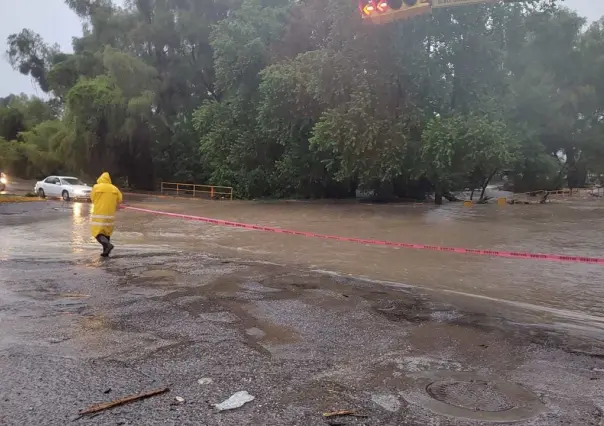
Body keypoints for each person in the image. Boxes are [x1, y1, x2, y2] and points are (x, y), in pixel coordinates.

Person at [90, 172, 123, 257]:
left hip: (99, 213)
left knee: (97, 233)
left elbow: (92, 198)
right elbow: (120, 199)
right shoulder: (114, 189)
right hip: (110, 215)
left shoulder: (96, 187)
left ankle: (108, 245)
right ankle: (106, 252)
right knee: (107, 233)